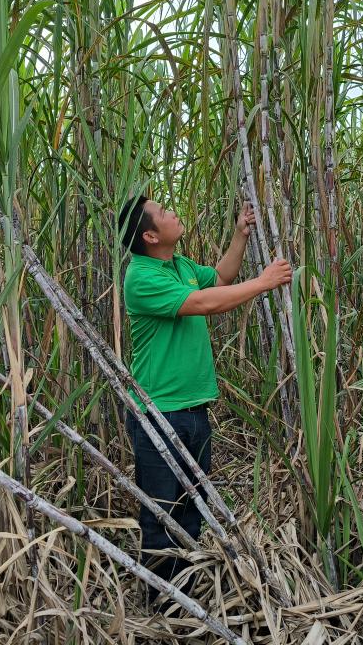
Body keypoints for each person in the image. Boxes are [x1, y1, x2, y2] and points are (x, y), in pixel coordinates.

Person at [115, 194, 292, 603]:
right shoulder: (141, 277)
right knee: (161, 520)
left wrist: (240, 235)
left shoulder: (177, 265)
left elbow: (219, 280)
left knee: (191, 515)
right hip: (158, 415)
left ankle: (188, 600)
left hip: (195, 412)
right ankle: (163, 610)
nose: (173, 212)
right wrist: (265, 282)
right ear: (149, 235)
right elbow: (202, 304)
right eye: (163, 213)